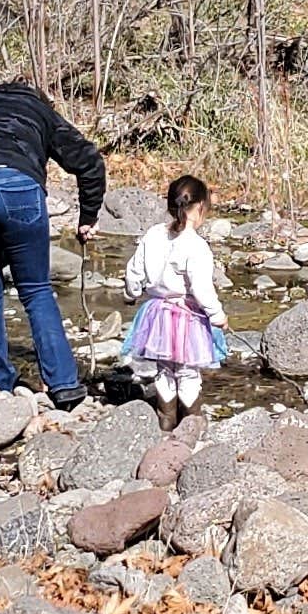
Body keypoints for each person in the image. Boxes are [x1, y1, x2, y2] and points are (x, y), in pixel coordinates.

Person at [0, 77, 107, 407]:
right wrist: (88, 216)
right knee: (36, 289)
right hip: (17, 186)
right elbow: (88, 160)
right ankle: (64, 385)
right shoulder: (38, 110)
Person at [122, 174, 226, 428]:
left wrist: (131, 293)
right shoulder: (196, 246)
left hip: (157, 314)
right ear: (201, 207)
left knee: (165, 370)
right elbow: (201, 288)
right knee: (188, 371)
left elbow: (134, 270)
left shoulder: (153, 235)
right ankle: (191, 424)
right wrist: (217, 315)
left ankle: (166, 421)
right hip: (187, 317)